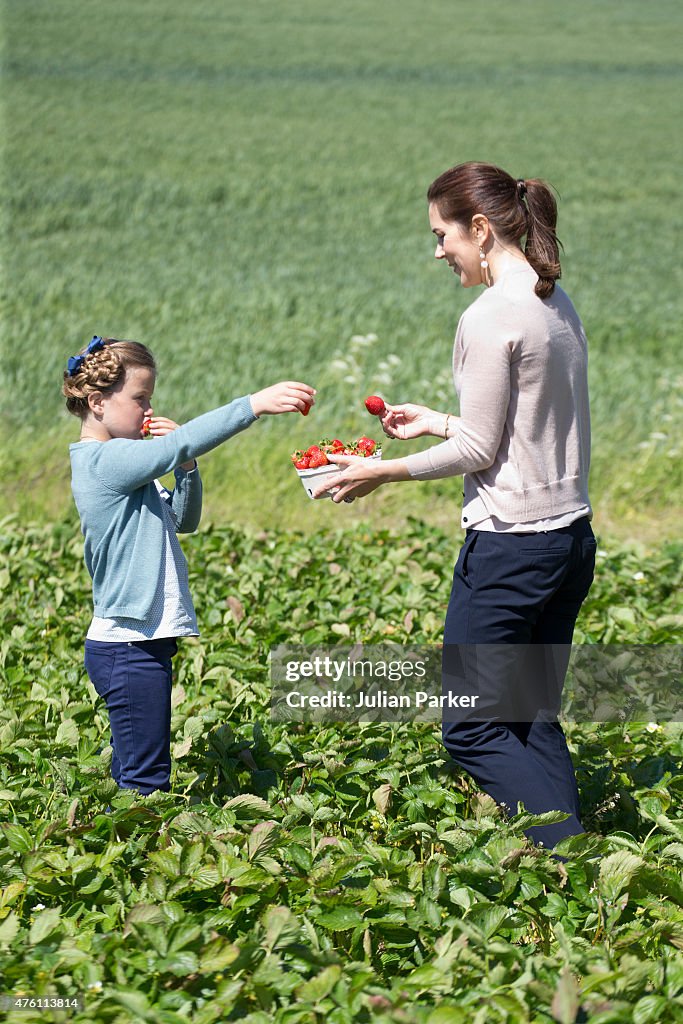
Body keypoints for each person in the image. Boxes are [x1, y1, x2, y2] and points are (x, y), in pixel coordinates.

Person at [316, 162, 596, 849]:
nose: (437, 249)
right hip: (567, 538)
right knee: (531, 714)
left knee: (469, 725)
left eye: (442, 234)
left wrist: (382, 470)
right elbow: (519, 425)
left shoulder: (487, 316)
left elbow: (477, 452)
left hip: (510, 549)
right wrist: (439, 421)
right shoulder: (552, 300)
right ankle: (573, 864)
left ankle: (565, 850)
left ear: (478, 229)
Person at [63, 335, 315, 794]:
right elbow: (171, 447)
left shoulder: (127, 468)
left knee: (135, 771)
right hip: (128, 648)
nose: (147, 409)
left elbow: (184, 519)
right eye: (139, 398)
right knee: (146, 779)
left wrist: (188, 468)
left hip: (141, 643)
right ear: (97, 402)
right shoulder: (105, 460)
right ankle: (136, 851)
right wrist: (252, 405)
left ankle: (119, 848)